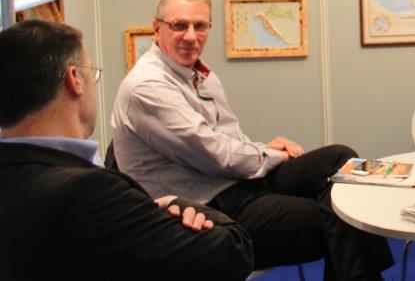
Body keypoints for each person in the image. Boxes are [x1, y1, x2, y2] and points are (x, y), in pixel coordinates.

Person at [112, 0, 393, 280]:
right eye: (180, 25)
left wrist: (262, 150)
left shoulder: (201, 75)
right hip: (204, 209)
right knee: (342, 216)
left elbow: (229, 139)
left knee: (340, 159)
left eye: (200, 26)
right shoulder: (147, 86)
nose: (191, 36)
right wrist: (272, 155)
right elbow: (215, 154)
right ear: (157, 28)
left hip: (236, 182)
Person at [0, 19, 254, 280]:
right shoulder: (89, 192)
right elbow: (233, 251)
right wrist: (177, 202)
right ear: (75, 80)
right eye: (92, 73)